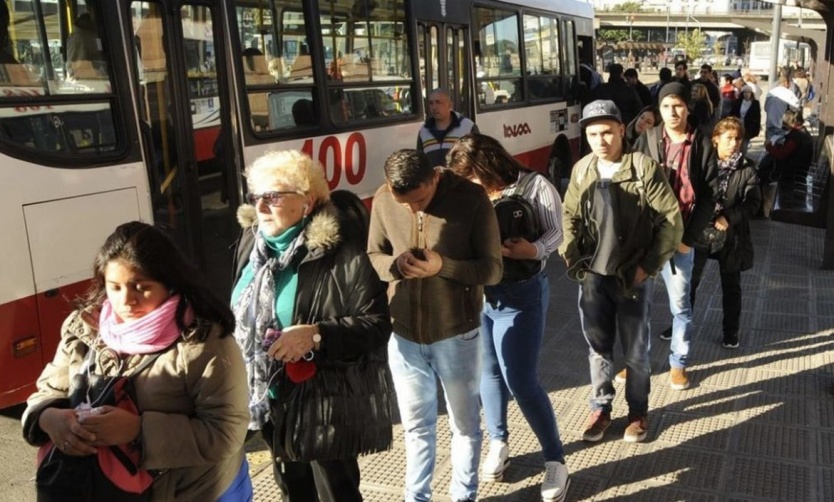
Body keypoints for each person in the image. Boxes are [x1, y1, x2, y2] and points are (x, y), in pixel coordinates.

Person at [22, 221, 251, 501]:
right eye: (114, 287)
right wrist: (48, 418)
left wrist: (138, 430)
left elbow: (225, 432)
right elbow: (47, 391)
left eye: (141, 287)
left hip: (190, 494)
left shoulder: (206, 344)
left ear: (170, 284)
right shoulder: (83, 328)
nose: (126, 301)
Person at [230, 150, 393, 502]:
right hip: (269, 397)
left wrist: (316, 334)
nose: (260, 207)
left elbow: (376, 325)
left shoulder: (342, 250)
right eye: (255, 197)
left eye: (272, 197)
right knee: (292, 489)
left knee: (334, 491)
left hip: (324, 398)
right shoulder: (251, 243)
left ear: (307, 201)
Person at [367, 149, 503, 502]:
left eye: (420, 199)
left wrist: (443, 266)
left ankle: (464, 496)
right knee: (416, 427)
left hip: (457, 332)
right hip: (404, 334)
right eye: (404, 203)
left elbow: (492, 269)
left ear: (434, 178)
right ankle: (416, 497)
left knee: (465, 426)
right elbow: (374, 256)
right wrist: (396, 265)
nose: (413, 209)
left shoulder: (471, 198)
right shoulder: (384, 199)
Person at [446, 134, 569, 502]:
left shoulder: (536, 186)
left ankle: (556, 460)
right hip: (480, 294)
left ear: (490, 167)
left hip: (522, 293)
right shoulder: (471, 193)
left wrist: (531, 249)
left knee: (522, 380)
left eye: (474, 179)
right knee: (488, 372)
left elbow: (556, 232)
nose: (473, 188)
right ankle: (498, 441)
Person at [560, 100, 682, 443]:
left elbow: (671, 220)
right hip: (593, 276)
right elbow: (568, 215)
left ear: (621, 130)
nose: (601, 140)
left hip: (632, 276)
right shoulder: (583, 168)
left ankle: (638, 412)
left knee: (635, 352)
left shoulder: (642, 167)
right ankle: (600, 408)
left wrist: (648, 267)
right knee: (598, 347)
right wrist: (571, 256)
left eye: (607, 132)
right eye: (593, 133)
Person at [634, 82, 718, 391]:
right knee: (637, 303)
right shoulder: (647, 139)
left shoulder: (701, 144)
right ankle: (636, 361)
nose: (672, 111)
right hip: (645, 238)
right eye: (666, 105)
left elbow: (709, 196)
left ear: (687, 107)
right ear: (659, 109)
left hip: (681, 238)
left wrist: (689, 239)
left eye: (678, 105)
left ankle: (678, 363)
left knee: (680, 306)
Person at [690, 117, 761, 349]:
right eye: (729, 138)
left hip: (730, 235)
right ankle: (680, 325)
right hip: (700, 230)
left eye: (738, 138)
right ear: (716, 139)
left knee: (731, 285)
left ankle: (731, 332)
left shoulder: (747, 167)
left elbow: (752, 203)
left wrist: (728, 217)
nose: (734, 143)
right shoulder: (703, 163)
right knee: (689, 282)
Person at [759, 109, 815, 217]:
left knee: (763, 172)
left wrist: (769, 146)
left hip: (792, 173)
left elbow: (782, 154)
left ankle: (763, 209)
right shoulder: (803, 133)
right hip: (799, 170)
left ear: (792, 122)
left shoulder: (797, 136)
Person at [416, 88, 478, 167]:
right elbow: (420, 162)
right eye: (431, 103)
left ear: (450, 105)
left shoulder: (467, 127)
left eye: (438, 102)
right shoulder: (424, 131)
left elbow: (477, 160)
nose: (434, 107)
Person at [764, 74, 800, 144]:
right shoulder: (788, 93)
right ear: (786, 83)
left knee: (770, 144)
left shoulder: (770, 93)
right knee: (781, 146)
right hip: (782, 125)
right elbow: (796, 108)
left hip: (770, 123)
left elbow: (765, 108)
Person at [730, 85, 761, 155]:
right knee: (736, 145)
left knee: (744, 147)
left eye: (748, 92)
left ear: (751, 93)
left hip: (748, 127)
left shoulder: (755, 103)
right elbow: (733, 113)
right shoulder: (738, 102)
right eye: (745, 92)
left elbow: (757, 117)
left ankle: (741, 159)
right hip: (738, 126)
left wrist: (756, 129)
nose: (747, 94)